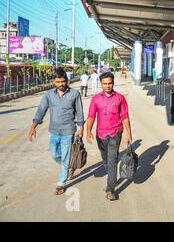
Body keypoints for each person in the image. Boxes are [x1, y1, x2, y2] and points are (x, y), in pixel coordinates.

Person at [28, 68, 85, 195]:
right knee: (55, 154)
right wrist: (33, 127)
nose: (61, 84)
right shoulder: (49, 95)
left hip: (68, 130)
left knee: (65, 156)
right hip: (54, 131)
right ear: (54, 81)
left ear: (67, 81)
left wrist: (81, 128)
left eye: (63, 81)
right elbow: (41, 110)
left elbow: (79, 112)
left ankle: (61, 183)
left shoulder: (74, 94)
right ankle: (70, 165)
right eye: (58, 82)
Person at [86, 72, 133, 201]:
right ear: (101, 83)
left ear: (113, 83)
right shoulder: (95, 99)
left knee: (112, 161)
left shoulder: (120, 98)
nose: (107, 86)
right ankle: (111, 179)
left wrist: (129, 134)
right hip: (100, 135)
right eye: (105, 84)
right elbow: (91, 116)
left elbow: (125, 117)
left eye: (110, 83)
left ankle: (110, 189)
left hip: (115, 133)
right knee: (105, 160)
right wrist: (88, 131)